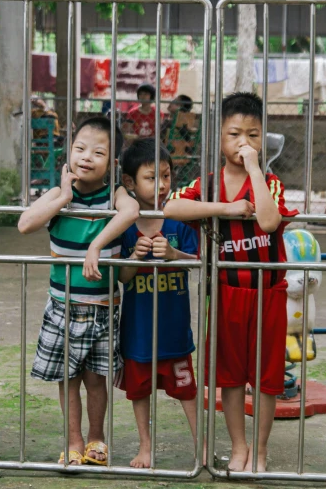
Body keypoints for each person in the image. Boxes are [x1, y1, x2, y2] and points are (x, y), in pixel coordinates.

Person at [165, 92, 297, 472]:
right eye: (235, 134)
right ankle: (239, 447)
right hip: (225, 294)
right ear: (218, 139)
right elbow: (171, 207)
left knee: (268, 378)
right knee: (231, 377)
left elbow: (270, 222)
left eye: (253, 135)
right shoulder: (208, 184)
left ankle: (260, 451)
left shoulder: (269, 182)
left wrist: (255, 169)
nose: (244, 143)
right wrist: (226, 209)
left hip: (268, 295)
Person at [18, 117, 140, 466]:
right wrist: (65, 196)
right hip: (63, 308)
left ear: (112, 164)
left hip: (103, 308)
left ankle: (95, 439)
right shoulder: (59, 196)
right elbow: (25, 224)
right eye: (80, 149)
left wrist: (96, 246)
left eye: (98, 152)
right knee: (67, 379)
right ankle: (72, 441)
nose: (87, 157)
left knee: (95, 379)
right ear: (68, 153)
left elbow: (131, 211)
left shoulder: (115, 194)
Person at [117, 139, 200, 469]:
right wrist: (133, 258)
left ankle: (201, 446)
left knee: (188, 393)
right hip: (138, 337)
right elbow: (121, 278)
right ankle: (145, 446)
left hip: (176, 335)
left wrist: (174, 255)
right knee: (139, 393)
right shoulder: (123, 226)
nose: (163, 184)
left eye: (166, 176)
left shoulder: (179, 223)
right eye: (152, 177)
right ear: (129, 183)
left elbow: (198, 262)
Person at [161, 94, 199, 187]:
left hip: (170, 153)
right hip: (184, 155)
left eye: (175, 102)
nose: (170, 103)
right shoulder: (190, 123)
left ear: (180, 107)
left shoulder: (173, 123)